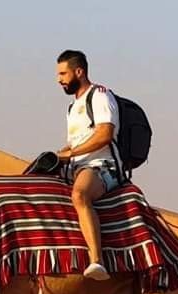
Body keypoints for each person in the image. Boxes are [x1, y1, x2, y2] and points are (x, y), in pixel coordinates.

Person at [55, 49, 124, 281]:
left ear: (79, 71)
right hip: (76, 166)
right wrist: (59, 155)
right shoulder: (72, 107)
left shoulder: (100, 96)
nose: (59, 79)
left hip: (100, 166)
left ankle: (97, 260)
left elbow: (104, 134)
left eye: (63, 74)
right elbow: (76, 142)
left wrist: (72, 152)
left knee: (79, 195)